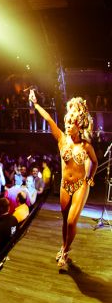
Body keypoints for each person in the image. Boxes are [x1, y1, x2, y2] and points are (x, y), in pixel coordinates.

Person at [30, 90, 98, 270]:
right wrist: (36, 104)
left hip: (80, 185)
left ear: (78, 125)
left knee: (71, 222)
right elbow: (49, 120)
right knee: (64, 220)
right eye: (66, 123)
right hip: (64, 186)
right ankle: (63, 245)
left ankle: (65, 252)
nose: (67, 126)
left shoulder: (86, 146)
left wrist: (90, 177)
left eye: (71, 123)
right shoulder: (61, 139)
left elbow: (95, 161)